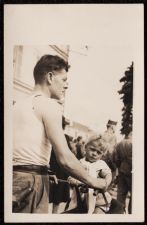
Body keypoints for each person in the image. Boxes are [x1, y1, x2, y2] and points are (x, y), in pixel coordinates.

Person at [12, 54, 107, 213]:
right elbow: (64, 158)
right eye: (63, 80)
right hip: (32, 183)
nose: (66, 85)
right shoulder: (49, 105)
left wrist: (46, 171)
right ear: (50, 77)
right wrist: (94, 181)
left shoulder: (18, 105)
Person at [68, 134, 112, 214]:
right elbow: (73, 175)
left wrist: (105, 183)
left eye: (99, 152)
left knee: (97, 214)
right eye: (92, 149)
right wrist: (73, 180)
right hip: (80, 199)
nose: (95, 154)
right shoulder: (80, 162)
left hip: (97, 200)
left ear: (102, 154)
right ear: (85, 147)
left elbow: (108, 175)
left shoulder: (100, 164)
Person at [113, 131, 132, 213]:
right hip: (132, 171)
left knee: (120, 194)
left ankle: (119, 213)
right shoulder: (134, 143)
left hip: (122, 170)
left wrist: (119, 166)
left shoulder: (119, 143)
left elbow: (115, 158)